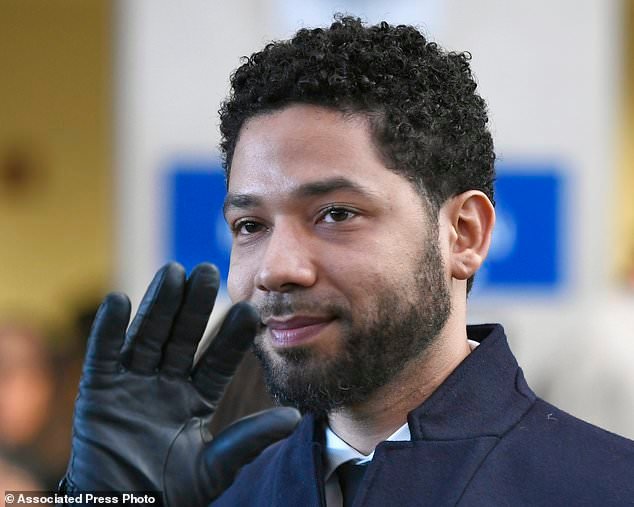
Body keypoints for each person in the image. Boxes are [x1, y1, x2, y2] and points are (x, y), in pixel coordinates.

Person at [62, 16, 634, 506]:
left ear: (463, 234)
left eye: (335, 213)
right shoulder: (226, 494)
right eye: (250, 226)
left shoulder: (608, 487)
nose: (276, 268)